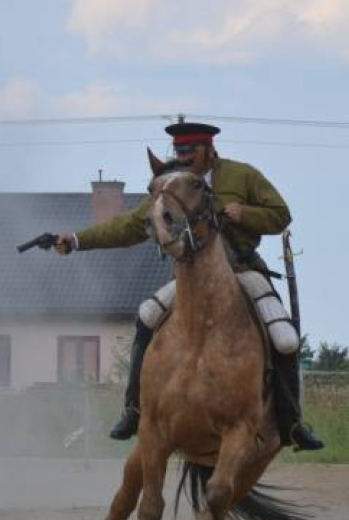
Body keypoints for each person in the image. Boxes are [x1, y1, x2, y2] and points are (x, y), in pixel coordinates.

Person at [55, 121, 324, 451]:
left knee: (284, 339)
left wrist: (246, 213)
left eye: (190, 151)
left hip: (242, 272)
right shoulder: (172, 186)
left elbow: (281, 215)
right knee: (146, 317)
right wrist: (78, 239)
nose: (183, 157)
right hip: (189, 280)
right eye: (179, 152)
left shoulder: (243, 176)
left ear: (209, 150)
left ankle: (291, 422)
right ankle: (133, 410)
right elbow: (129, 225)